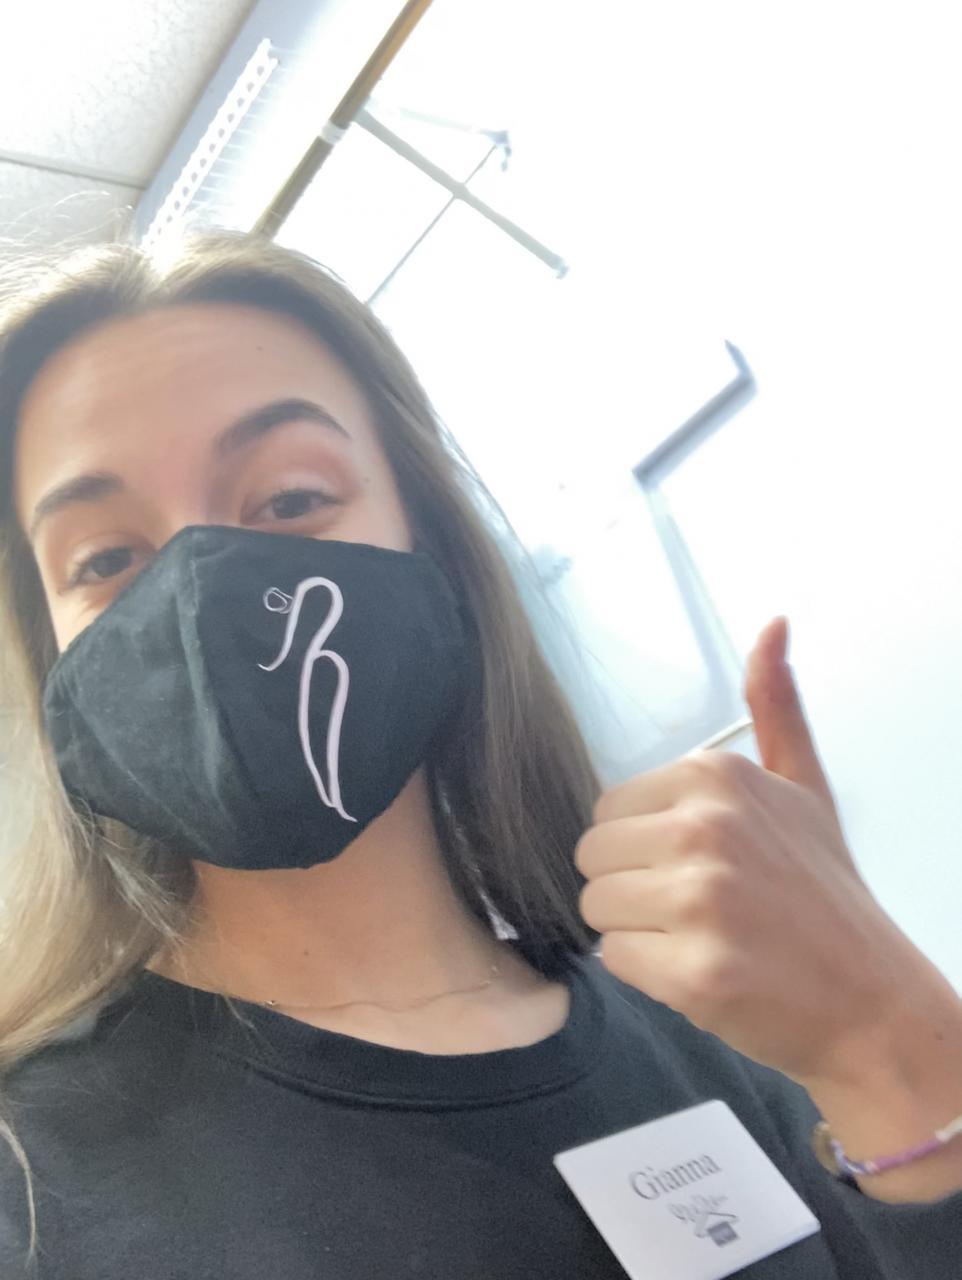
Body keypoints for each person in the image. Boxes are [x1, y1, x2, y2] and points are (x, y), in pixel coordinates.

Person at [0, 230, 958, 1279]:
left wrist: (890, 1043)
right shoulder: (29, 1183)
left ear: (435, 543)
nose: (201, 596)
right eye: (104, 556)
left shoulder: (717, 1017)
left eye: (292, 499)